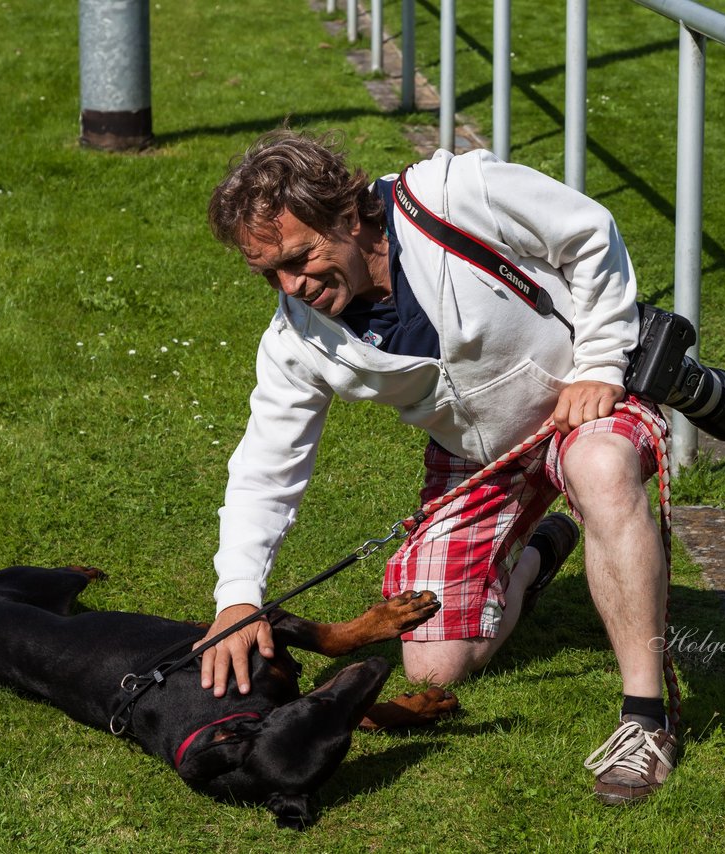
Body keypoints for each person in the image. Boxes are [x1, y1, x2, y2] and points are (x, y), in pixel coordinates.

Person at [200, 129, 677, 803]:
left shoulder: (453, 195)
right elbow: (265, 468)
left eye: (299, 258)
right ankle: (539, 554)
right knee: (435, 666)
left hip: (583, 403)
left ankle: (645, 719)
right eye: (269, 273)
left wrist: (600, 361)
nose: (290, 285)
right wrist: (239, 598)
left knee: (600, 465)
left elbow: (588, 231)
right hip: (479, 456)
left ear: (344, 214)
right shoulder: (296, 340)